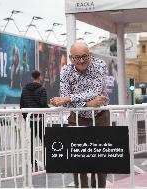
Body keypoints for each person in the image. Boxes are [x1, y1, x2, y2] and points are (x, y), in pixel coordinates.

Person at [50, 41, 110, 188]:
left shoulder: (100, 65)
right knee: (77, 158)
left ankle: (100, 187)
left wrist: (69, 98)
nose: (81, 61)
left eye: (85, 56)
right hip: (76, 118)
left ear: (90, 55)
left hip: (101, 117)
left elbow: (95, 91)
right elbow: (64, 100)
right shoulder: (65, 71)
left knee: (101, 157)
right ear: (71, 58)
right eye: (77, 58)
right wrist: (87, 104)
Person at [20, 70, 48, 170]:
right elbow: (43, 103)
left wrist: (25, 117)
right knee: (44, 141)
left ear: (32, 77)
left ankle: (32, 162)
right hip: (40, 119)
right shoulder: (42, 89)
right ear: (40, 77)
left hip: (30, 120)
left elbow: (22, 105)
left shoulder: (25, 89)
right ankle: (46, 162)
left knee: (31, 142)